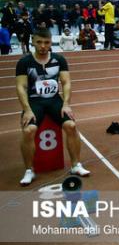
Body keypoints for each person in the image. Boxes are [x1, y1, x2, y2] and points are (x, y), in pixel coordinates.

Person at [16, 29, 90, 185]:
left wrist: (66, 104)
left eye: (46, 42)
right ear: (33, 42)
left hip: (54, 100)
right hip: (34, 102)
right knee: (29, 130)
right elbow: (21, 87)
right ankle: (29, 170)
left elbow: (66, 82)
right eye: (39, 42)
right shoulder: (24, 62)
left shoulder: (59, 59)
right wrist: (27, 109)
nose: (43, 46)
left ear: (51, 43)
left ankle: (76, 165)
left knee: (71, 125)